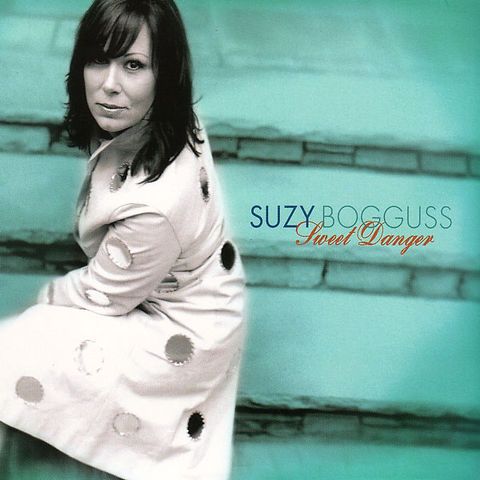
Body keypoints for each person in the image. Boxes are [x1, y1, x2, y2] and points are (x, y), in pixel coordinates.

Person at [0, 1, 246, 479]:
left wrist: (44, 300)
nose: (109, 85)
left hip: (186, 330)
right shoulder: (170, 120)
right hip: (180, 281)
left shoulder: (157, 205)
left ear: (164, 75)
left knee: (18, 345)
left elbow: (101, 294)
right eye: (98, 60)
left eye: (133, 65)